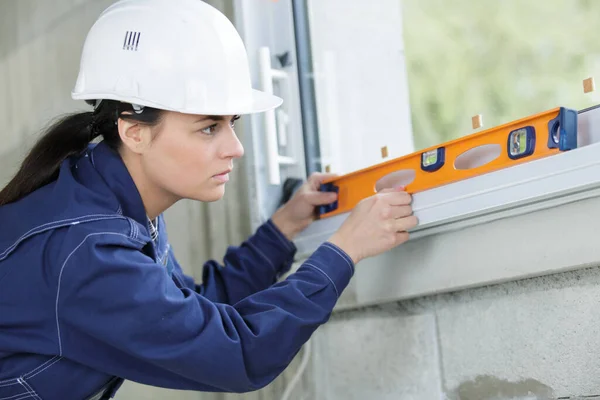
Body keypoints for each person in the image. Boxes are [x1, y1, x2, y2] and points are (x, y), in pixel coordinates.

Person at [0, 0, 417, 399]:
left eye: (231, 123)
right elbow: (236, 353)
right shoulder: (88, 252)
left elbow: (189, 312)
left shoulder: (109, 199)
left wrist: (282, 230)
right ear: (134, 132)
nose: (235, 147)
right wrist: (343, 251)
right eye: (208, 128)